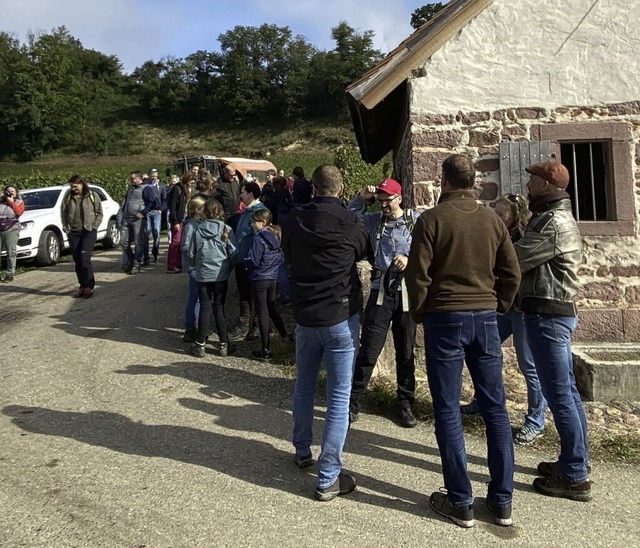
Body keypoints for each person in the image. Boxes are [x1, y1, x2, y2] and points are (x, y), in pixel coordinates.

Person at [405, 154, 521, 528]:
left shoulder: (431, 220)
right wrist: (498, 306)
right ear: (475, 181)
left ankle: (461, 502)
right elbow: (511, 272)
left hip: (445, 318)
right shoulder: (493, 220)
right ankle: (502, 502)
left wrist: (420, 313)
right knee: (495, 408)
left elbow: (417, 276)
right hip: (485, 318)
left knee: (448, 410)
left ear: (444, 180)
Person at [281, 164, 368, 502]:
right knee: (338, 397)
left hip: (306, 315)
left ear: (314, 188)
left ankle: (303, 450)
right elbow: (365, 252)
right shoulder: (350, 222)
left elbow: (287, 254)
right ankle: (328, 476)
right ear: (341, 188)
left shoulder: (294, 220)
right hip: (340, 315)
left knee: (304, 385)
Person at [515, 161, 590, 502]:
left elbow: (516, 259)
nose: (528, 183)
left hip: (548, 314)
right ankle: (574, 462)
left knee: (559, 394)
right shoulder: (553, 218)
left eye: (532, 179)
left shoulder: (551, 223)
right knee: (568, 393)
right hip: (553, 314)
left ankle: (574, 474)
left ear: (545, 184)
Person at [461, 193, 548, 445]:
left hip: (519, 309)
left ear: (515, 216)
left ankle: (536, 421)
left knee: (528, 366)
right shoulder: (498, 234)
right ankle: (482, 400)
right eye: (495, 211)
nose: (496, 217)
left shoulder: (524, 240)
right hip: (502, 308)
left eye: (502, 213)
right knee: (480, 351)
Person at [347, 179, 419, 428]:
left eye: (388, 200)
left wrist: (411, 259)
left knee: (406, 351)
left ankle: (406, 404)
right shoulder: (374, 220)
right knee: (369, 349)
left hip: (407, 294)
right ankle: (352, 401)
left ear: (399, 198)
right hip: (380, 292)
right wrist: (361, 197)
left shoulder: (415, 220)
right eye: (380, 200)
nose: (384, 205)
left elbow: (431, 247)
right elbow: (348, 217)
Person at [187, 198, 238, 358]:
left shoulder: (198, 229)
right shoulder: (226, 229)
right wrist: (228, 267)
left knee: (204, 307)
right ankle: (224, 344)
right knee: (219, 308)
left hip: (203, 273)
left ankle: (200, 344)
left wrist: (198, 264)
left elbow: (191, 253)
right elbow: (233, 252)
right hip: (220, 274)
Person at [242, 209, 289, 361]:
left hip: (259, 278)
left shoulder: (258, 239)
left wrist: (245, 262)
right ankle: (285, 335)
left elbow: (254, 260)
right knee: (271, 306)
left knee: (261, 311)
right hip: (272, 277)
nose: (251, 224)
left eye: (253, 222)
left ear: (262, 223)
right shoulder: (275, 236)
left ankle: (266, 348)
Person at [234, 181, 267, 339]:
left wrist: (252, 259)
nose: (240, 195)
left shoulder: (259, 213)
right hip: (242, 259)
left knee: (254, 294)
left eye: (243, 192)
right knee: (244, 294)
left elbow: (259, 239)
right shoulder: (246, 211)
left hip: (251, 261)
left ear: (251, 194)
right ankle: (244, 324)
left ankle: (255, 327)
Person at [60, 175, 104, 298]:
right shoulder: (68, 196)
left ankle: (89, 286)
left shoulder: (92, 196)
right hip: (74, 232)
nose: (73, 189)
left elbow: (100, 213)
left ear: (82, 184)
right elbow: (63, 212)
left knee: (85, 258)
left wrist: (94, 226)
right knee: (78, 260)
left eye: (75, 186)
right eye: (71, 186)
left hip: (88, 231)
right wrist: (66, 227)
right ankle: (82, 286)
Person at [180, 195, 207, 343]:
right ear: (197, 210)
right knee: (194, 298)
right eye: (204, 208)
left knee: (198, 298)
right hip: (194, 266)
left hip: (199, 266)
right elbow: (185, 246)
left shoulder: (199, 223)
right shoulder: (191, 225)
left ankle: (195, 326)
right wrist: (198, 253)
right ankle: (191, 327)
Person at [119, 172, 153, 275]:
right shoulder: (130, 188)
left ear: (140, 178)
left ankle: (136, 263)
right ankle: (131, 258)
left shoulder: (146, 188)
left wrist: (143, 212)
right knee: (123, 242)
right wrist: (123, 211)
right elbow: (126, 201)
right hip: (127, 218)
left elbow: (151, 201)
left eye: (134, 178)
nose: (132, 180)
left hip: (138, 219)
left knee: (138, 242)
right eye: (131, 178)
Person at [167, 173, 193, 273]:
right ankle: (171, 265)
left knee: (180, 243)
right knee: (176, 242)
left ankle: (178, 264)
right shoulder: (177, 189)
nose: (192, 183)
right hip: (177, 220)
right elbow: (173, 206)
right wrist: (175, 221)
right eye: (191, 181)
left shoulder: (186, 190)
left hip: (184, 219)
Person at [0, 185, 25, 283]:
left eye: (12, 191)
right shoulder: (1, 201)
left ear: (16, 193)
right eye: (8, 191)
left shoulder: (19, 202)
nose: (10, 193)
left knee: (11, 252)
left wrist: (11, 203)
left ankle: (9, 274)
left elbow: (19, 212)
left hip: (11, 229)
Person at [142, 168, 166, 265]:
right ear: (149, 175)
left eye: (155, 176)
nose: (153, 178)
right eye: (152, 176)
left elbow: (165, 199)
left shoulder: (161, 186)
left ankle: (155, 254)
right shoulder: (145, 185)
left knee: (156, 233)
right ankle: (146, 257)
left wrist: (161, 209)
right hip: (147, 212)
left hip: (156, 212)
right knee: (146, 233)